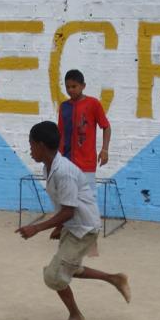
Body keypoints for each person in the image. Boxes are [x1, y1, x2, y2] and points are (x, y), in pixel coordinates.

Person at [16, 121, 130, 320]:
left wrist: (37, 228)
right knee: (70, 268)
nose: (30, 150)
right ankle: (114, 279)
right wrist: (59, 226)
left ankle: (76, 317)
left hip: (83, 227)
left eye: (31, 145)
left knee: (54, 275)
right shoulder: (48, 167)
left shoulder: (63, 172)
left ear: (41, 145)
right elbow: (65, 205)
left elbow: (69, 209)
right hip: (73, 223)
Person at [57, 69, 111, 255]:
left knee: (89, 201)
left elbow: (106, 126)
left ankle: (92, 240)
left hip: (86, 161)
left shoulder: (93, 104)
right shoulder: (64, 107)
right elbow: (61, 134)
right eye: (68, 87)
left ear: (83, 86)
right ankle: (69, 236)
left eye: (74, 86)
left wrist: (104, 149)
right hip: (66, 161)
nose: (71, 90)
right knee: (68, 199)